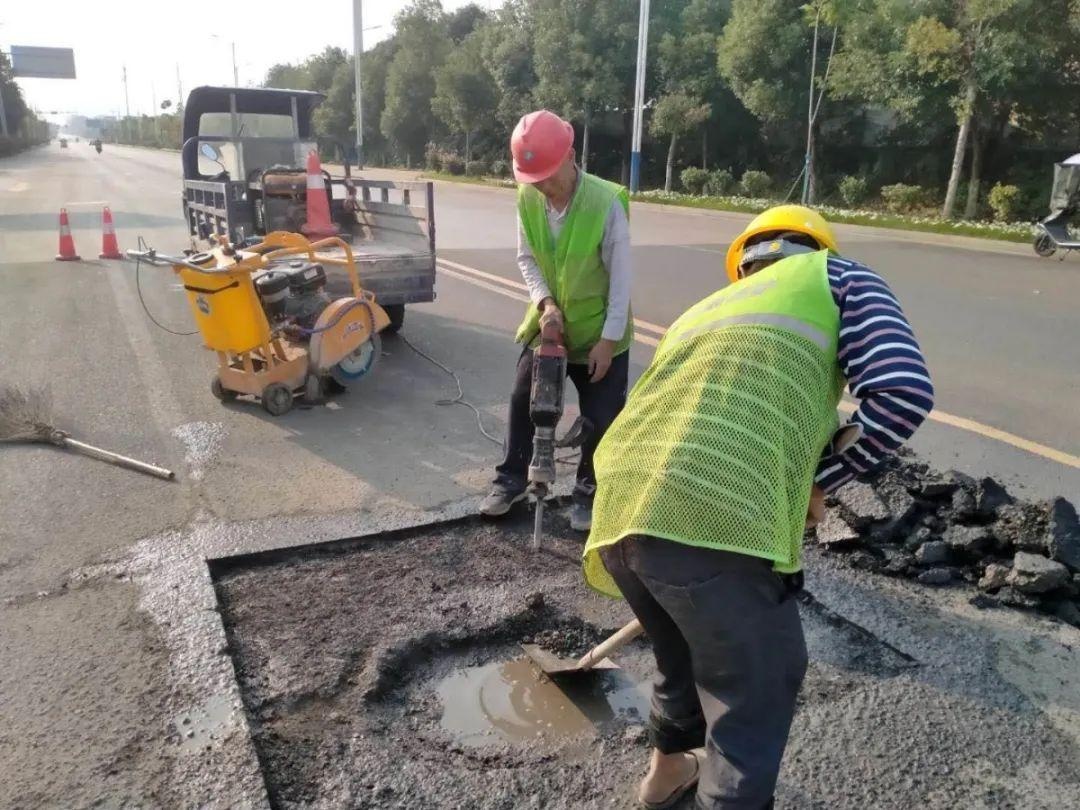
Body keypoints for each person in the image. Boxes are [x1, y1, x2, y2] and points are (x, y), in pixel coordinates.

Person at [583, 205, 935, 809]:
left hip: (621, 503)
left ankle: (664, 778)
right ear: (817, 246)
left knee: (679, 651)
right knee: (753, 691)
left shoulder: (705, 310)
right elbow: (903, 391)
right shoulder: (836, 276)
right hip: (716, 513)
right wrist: (815, 482)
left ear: (745, 260)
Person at [480, 110, 634, 531]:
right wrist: (546, 304)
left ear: (570, 156)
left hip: (601, 332)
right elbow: (527, 258)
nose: (543, 188)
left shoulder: (605, 204)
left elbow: (621, 280)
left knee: (601, 419)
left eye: (548, 177)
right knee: (521, 399)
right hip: (551, 324)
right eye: (534, 180)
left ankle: (589, 494)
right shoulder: (528, 198)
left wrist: (607, 340)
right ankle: (509, 480)